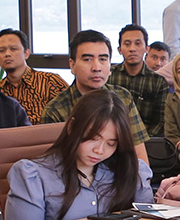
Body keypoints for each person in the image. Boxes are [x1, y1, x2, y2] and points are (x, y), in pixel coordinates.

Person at [4, 91, 152, 220]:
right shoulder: (34, 177)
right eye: (93, 138)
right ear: (72, 127)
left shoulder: (129, 170)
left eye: (111, 143)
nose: (100, 150)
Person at [41, 32, 150, 160]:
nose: (96, 67)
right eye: (87, 59)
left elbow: (139, 154)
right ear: (72, 65)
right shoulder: (55, 110)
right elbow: (54, 164)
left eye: (103, 59)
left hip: (122, 174)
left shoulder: (123, 97)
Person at [0, 28, 69, 122]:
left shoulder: (50, 81)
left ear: (26, 53)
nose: (7, 54)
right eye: (1, 50)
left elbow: (73, 114)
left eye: (13, 49)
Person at [107, 23, 168, 135]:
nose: (132, 49)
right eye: (127, 44)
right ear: (120, 49)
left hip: (146, 141)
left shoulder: (158, 82)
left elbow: (160, 121)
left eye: (138, 43)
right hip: (112, 138)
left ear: (147, 48)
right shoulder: (108, 75)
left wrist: (142, 141)